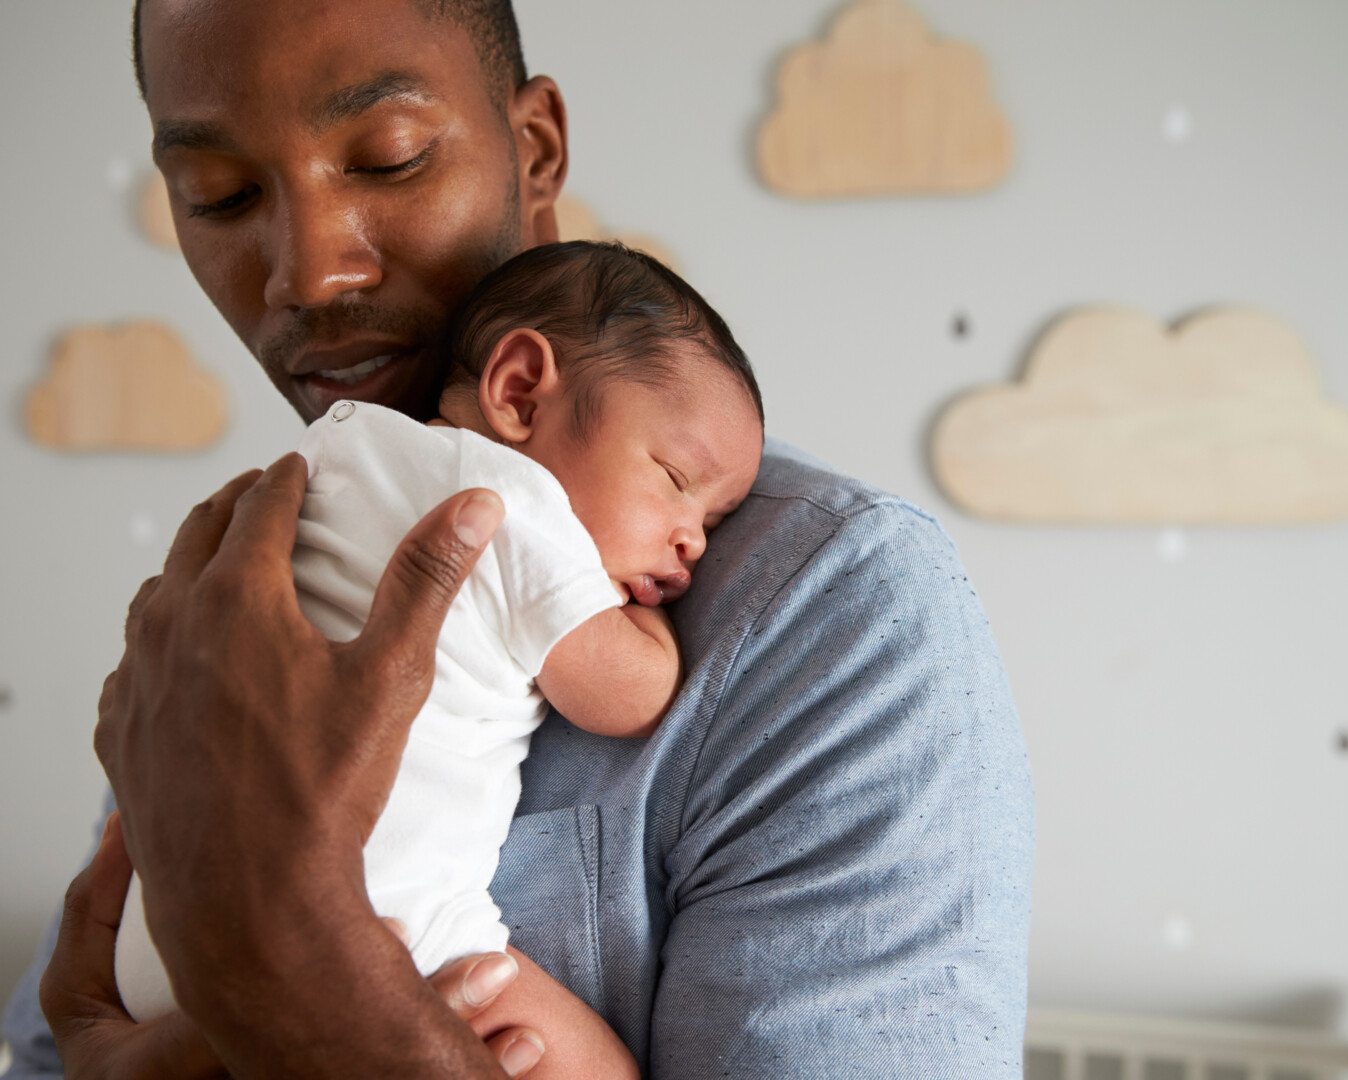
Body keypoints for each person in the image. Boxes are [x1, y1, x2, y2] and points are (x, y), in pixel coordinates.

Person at [2, 0, 1036, 1076]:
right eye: (219, 195)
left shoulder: (834, 612)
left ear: (533, 150)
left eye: (389, 160)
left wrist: (310, 978)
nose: (307, 274)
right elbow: (64, 1034)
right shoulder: (243, 581)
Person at [111, 240, 765, 1080]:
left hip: (158, 943)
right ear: (520, 390)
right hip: (384, 932)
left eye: (715, 519)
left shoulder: (335, 452)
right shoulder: (516, 505)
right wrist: (652, 624)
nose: (693, 540)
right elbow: (629, 695)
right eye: (677, 478)